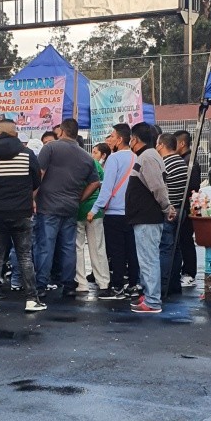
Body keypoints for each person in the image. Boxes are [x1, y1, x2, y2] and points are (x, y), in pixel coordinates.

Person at [0, 119, 44, 313]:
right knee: (24, 256)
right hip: (22, 212)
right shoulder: (27, 154)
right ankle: (32, 299)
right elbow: (36, 180)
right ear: (15, 134)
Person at [34, 118, 100, 299]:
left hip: (48, 205)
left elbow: (39, 174)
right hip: (70, 206)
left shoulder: (50, 148)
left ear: (61, 131)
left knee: (46, 245)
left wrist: (32, 198)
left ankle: (41, 285)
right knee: (68, 247)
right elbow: (95, 182)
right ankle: (69, 284)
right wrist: (79, 198)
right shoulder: (86, 156)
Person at [125, 123, 175, 314]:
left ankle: (153, 300)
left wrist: (166, 206)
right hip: (144, 216)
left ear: (135, 139)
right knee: (147, 257)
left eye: (131, 138)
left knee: (148, 258)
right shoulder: (148, 156)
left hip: (147, 217)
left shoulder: (148, 157)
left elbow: (158, 187)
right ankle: (149, 294)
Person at [88, 124, 139, 300]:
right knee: (132, 251)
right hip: (132, 212)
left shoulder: (114, 159)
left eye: (111, 136)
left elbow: (107, 188)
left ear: (119, 139)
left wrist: (94, 209)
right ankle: (133, 285)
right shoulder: (135, 157)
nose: (109, 139)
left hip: (114, 213)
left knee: (116, 252)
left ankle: (117, 287)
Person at [156, 133, 189, 295]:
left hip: (168, 211)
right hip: (181, 210)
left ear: (161, 145)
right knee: (176, 249)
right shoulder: (182, 164)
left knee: (165, 249)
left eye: (157, 144)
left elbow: (160, 190)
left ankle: (163, 285)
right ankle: (174, 283)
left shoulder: (163, 164)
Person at [76, 148, 110, 296]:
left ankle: (81, 283)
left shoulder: (70, 163)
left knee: (77, 248)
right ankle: (103, 281)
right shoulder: (94, 163)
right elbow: (102, 184)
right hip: (94, 210)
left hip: (75, 210)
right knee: (98, 247)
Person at [174, 130, 202, 289]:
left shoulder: (190, 162)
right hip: (183, 207)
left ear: (182, 143)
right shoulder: (184, 160)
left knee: (185, 240)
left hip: (186, 207)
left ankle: (189, 273)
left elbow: (192, 187)